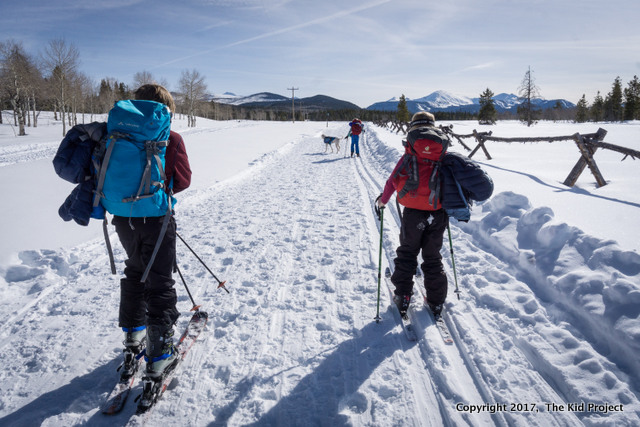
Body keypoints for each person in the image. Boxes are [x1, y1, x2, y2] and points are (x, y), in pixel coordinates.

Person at [376, 112, 492, 318]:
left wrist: (383, 200)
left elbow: (392, 181)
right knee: (433, 256)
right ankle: (436, 301)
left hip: (412, 213)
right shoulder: (442, 153)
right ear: (433, 126)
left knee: (407, 252)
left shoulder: (409, 155)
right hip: (438, 213)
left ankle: (402, 295)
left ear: (412, 128)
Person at [114, 84, 192, 381]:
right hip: (157, 219)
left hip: (123, 217)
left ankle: (133, 338)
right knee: (159, 281)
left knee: (135, 272)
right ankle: (159, 355)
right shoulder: (170, 138)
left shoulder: (117, 136)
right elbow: (183, 180)